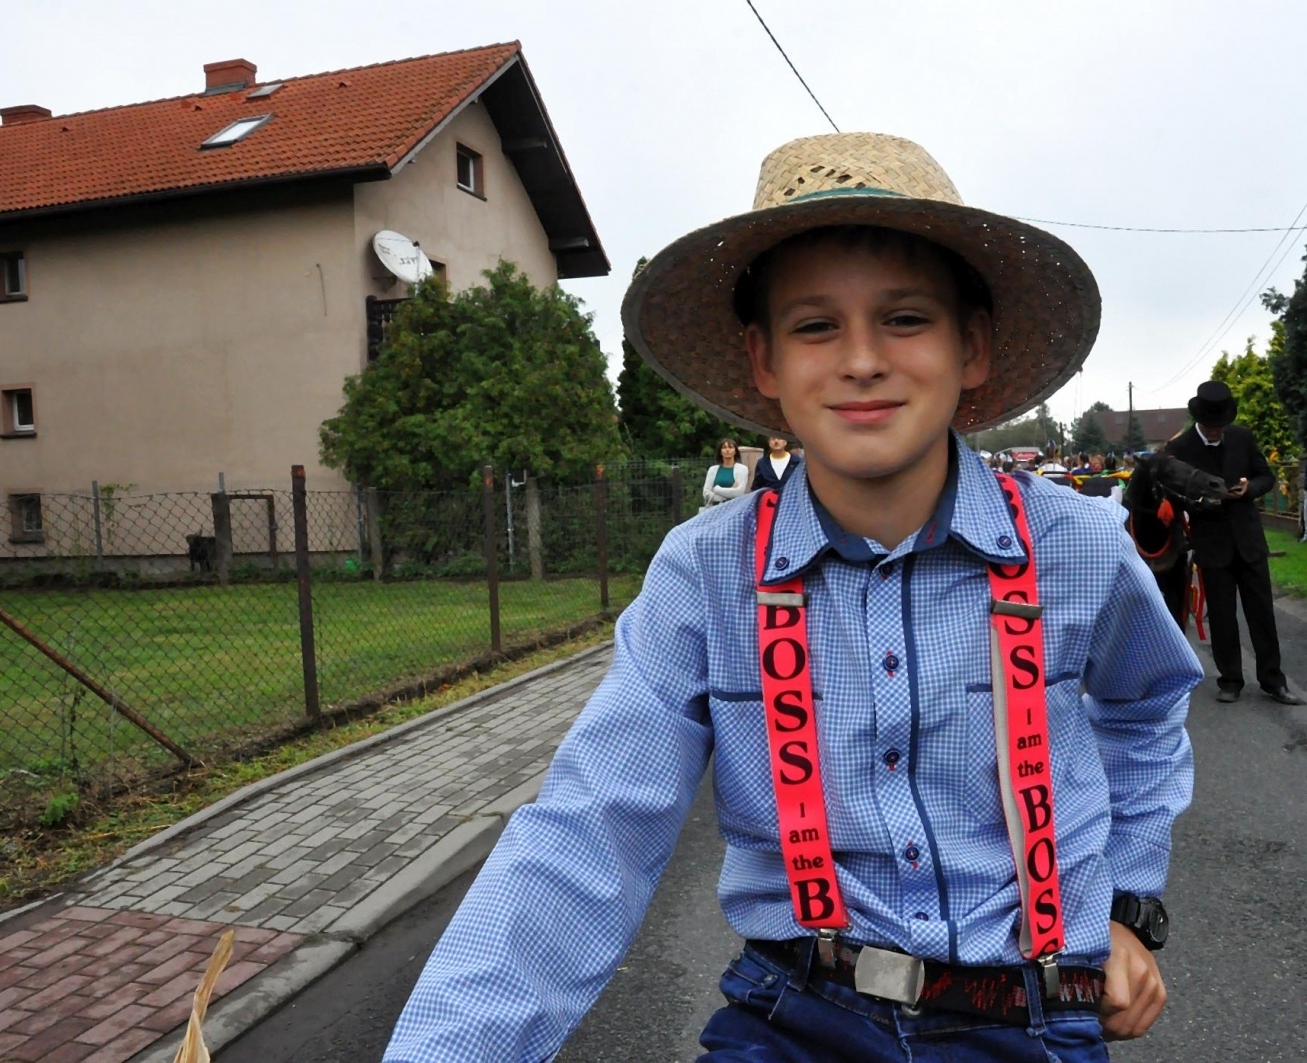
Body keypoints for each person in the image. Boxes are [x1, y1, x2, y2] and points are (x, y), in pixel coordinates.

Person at [385, 132, 1200, 1063]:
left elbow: (1147, 703)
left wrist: (1129, 903)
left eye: (904, 319)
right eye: (815, 326)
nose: (860, 360)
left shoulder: (1076, 547)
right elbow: (588, 832)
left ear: (971, 347)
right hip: (796, 1014)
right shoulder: (703, 577)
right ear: (765, 363)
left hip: (1030, 1014)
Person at [1164, 381, 1304, 706]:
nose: (1217, 433)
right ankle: (1230, 680)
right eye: (1212, 429)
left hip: (1249, 540)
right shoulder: (1181, 448)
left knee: (1262, 614)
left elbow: (1265, 476)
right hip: (1212, 543)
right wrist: (1204, 500)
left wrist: (1249, 488)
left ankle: (1273, 681)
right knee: (1223, 617)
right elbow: (1174, 495)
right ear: (1200, 421)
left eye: (1221, 428)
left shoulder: (1242, 437)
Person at [702, 437, 751, 508]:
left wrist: (716, 489)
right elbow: (706, 493)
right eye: (724, 447)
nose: (727, 450)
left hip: (734, 508)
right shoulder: (713, 469)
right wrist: (728, 494)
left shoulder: (742, 469)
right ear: (720, 451)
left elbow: (738, 493)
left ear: (735, 451)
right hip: (714, 508)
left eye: (730, 447)